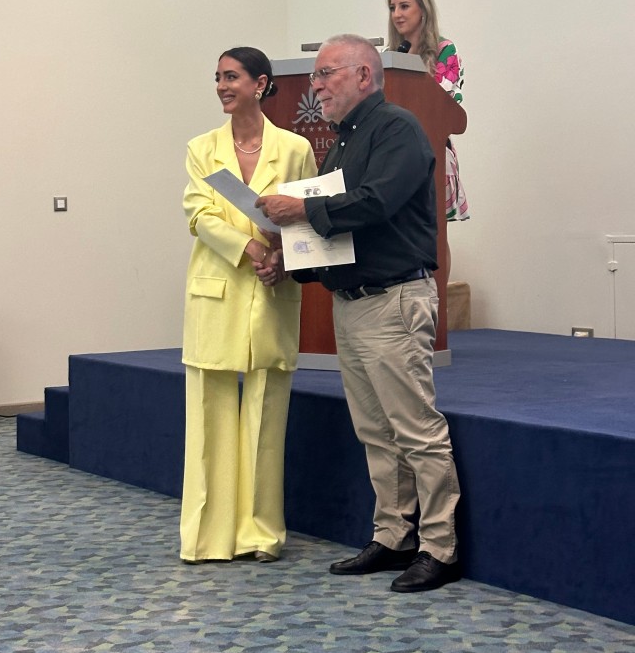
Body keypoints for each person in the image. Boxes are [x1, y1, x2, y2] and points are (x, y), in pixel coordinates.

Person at [255, 34, 461, 593]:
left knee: (416, 430)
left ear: (364, 75)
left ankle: (440, 547)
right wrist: (292, 262)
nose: (316, 85)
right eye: (316, 75)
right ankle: (393, 536)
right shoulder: (344, 140)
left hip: (394, 300)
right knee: (376, 431)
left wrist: (300, 208)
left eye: (327, 74)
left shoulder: (397, 128)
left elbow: (374, 204)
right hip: (354, 302)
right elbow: (339, 233)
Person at [180, 46, 317, 564]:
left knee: (266, 418)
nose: (221, 85)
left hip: (273, 291)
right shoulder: (201, 148)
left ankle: (260, 534)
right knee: (209, 416)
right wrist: (251, 249)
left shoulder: (296, 148)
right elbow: (199, 215)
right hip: (216, 289)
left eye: (231, 76)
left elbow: (308, 217)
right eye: (217, 77)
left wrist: (282, 259)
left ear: (260, 84)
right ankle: (208, 536)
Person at [386, 0, 469, 280]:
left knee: (435, 232)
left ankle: (439, 304)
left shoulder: (445, 50)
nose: (397, 14)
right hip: (394, 154)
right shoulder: (390, 55)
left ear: (423, 9)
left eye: (404, 6)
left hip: (431, 149)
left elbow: (448, 101)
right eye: (393, 7)